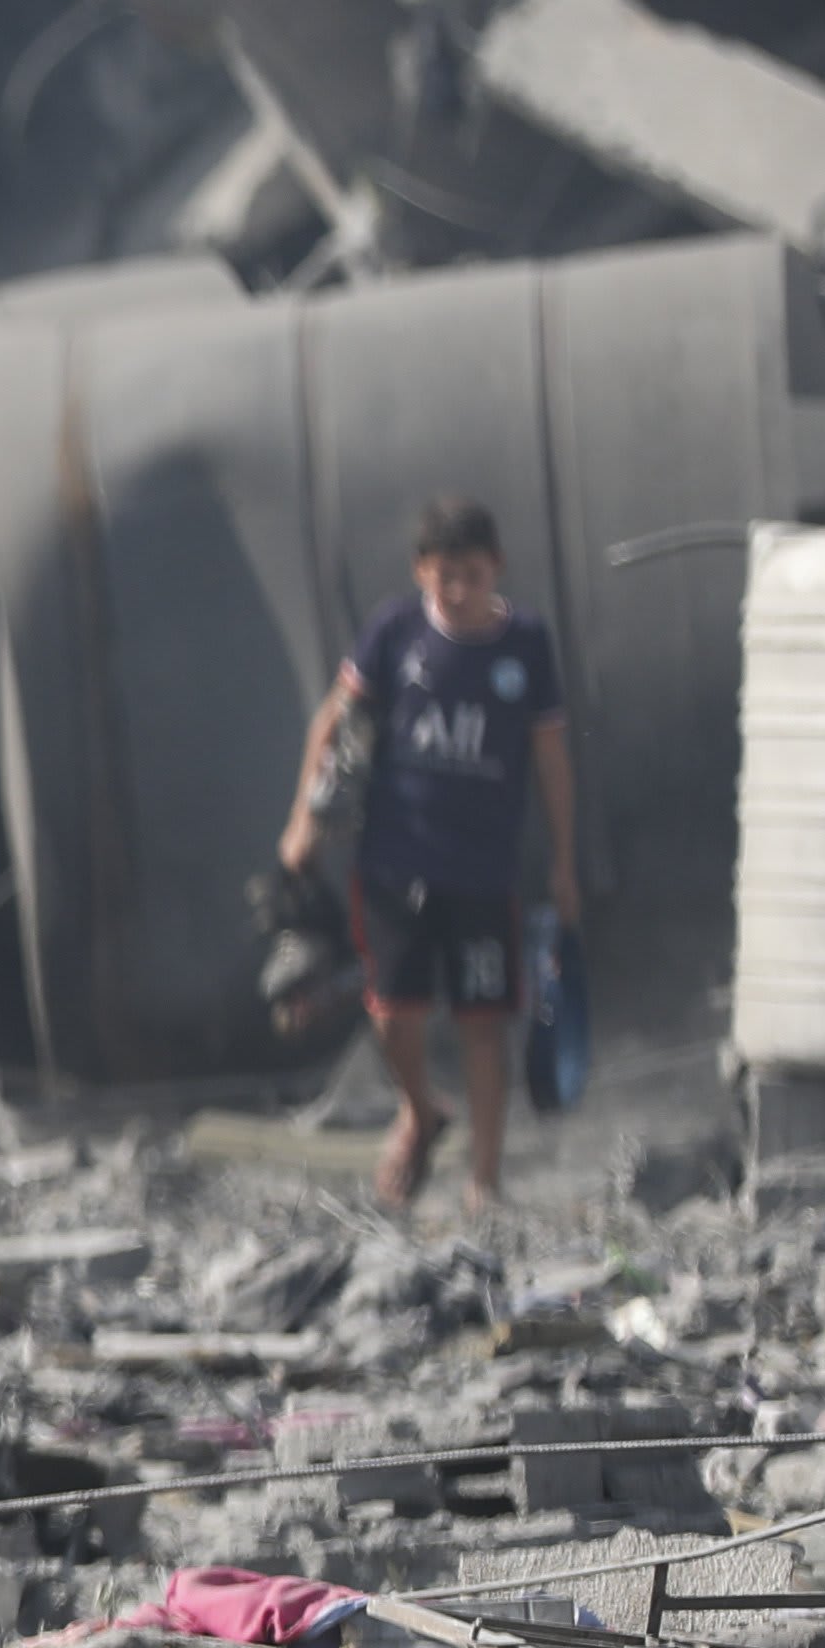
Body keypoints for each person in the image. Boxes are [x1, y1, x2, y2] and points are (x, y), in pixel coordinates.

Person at [280, 495, 578, 1208]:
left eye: (472, 575)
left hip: (481, 870)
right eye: (445, 575)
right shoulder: (395, 631)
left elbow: (551, 757)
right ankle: (420, 1110)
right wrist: (303, 822)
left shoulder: (525, 645)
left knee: (483, 1023)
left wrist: (565, 860)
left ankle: (485, 1181)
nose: (459, 591)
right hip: (393, 862)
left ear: (496, 568)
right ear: (421, 571)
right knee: (392, 1013)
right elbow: (335, 719)